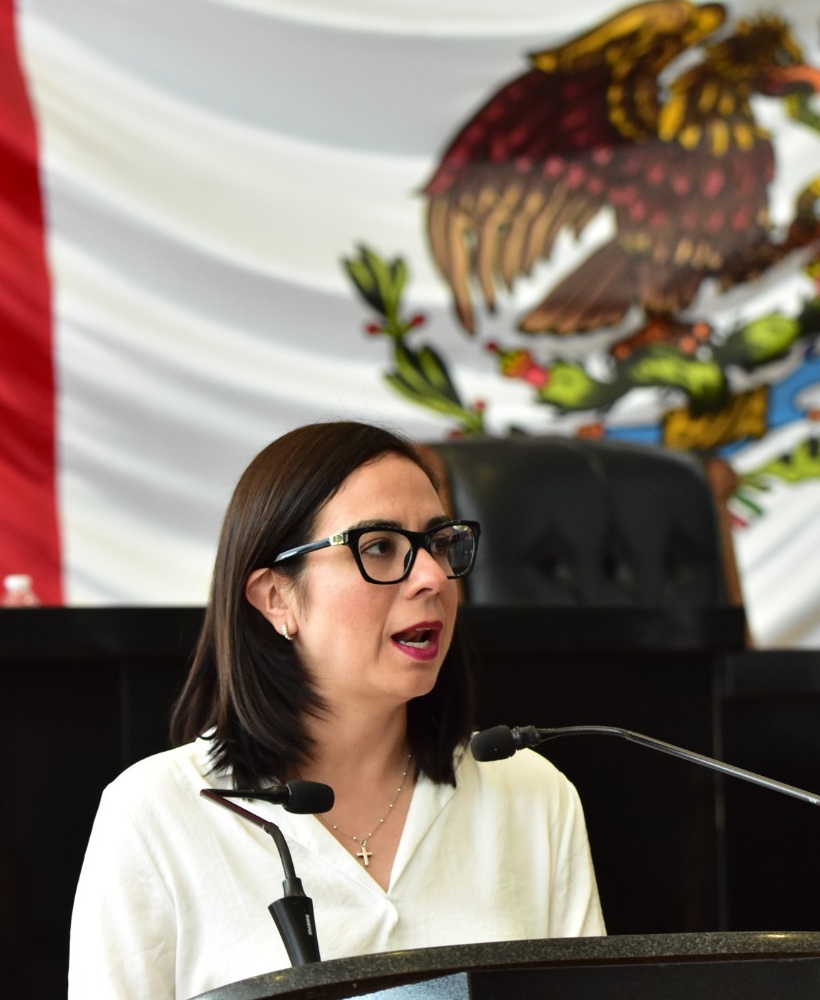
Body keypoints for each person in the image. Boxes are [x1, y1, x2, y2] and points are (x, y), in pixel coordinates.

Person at [68, 421, 604, 998]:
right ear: (277, 598)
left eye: (439, 543)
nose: (432, 577)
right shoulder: (156, 815)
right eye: (379, 547)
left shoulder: (532, 794)